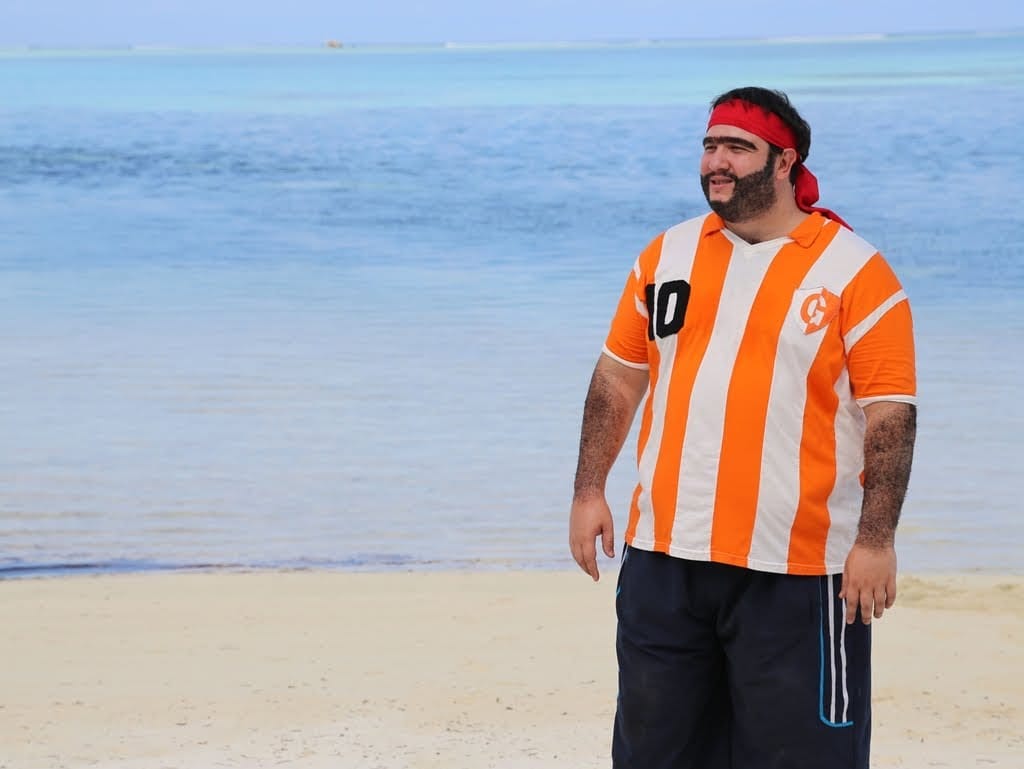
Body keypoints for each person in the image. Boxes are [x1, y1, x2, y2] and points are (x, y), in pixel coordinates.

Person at [568, 86, 917, 769]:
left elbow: (891, 417)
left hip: (797, 569)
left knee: (803, 757)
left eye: (737, 147)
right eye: (709, 146)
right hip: (665, 556)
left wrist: (876, 540)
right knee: (654, 752)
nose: (716, 162)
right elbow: (618, 378)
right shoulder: (667, 255)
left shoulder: (856, 272)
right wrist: (588, 490)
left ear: (785, 162)